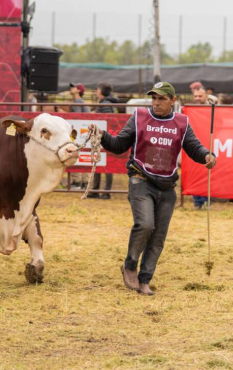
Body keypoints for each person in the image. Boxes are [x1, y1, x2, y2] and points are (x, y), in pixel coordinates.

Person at [88, 81, 217, 295]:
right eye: (154, 98)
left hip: (166, 187)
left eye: (162, 99)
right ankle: (130, 266)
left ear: (172, 101)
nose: (156, 103)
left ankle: (145, 279)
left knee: (158, 237)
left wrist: (207, 155)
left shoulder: (182, 122)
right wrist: (102, 136)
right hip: (141, 180)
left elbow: (194, 147)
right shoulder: (139, 117)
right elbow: (119, 145)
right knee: (146, 224)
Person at [88, 82, 117, 199]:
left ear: (101, 91)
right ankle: (101, 190)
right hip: (104, 136)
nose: (96, 91)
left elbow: (107, 119)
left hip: (104, 137)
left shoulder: (104, 104)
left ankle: (103, 191)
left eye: (98, 89)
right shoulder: (106, 103)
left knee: (105, 163)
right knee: (102, 162)